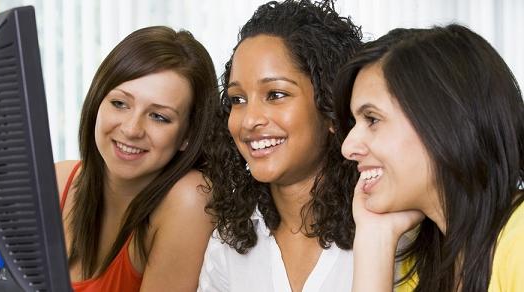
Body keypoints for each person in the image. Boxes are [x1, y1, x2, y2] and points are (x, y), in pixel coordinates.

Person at [334, 24, 524, 292]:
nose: (348, 147)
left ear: (444, 123)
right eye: (355, 122)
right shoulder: (426, 261)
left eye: (372, 119)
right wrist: (374, 238)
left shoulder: (520, 246)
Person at [198, 1, 362, 291]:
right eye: (237, 99)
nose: (249, 120)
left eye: (275, 94)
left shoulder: (390, 233)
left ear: (331, 107)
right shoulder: (229, 242)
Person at [55, 26, 218, 292]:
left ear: (187, 135)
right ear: (98, 101)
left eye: (159, 116)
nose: (131, 129)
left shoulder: (190, 198)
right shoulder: (59, 181)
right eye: (120, 103)